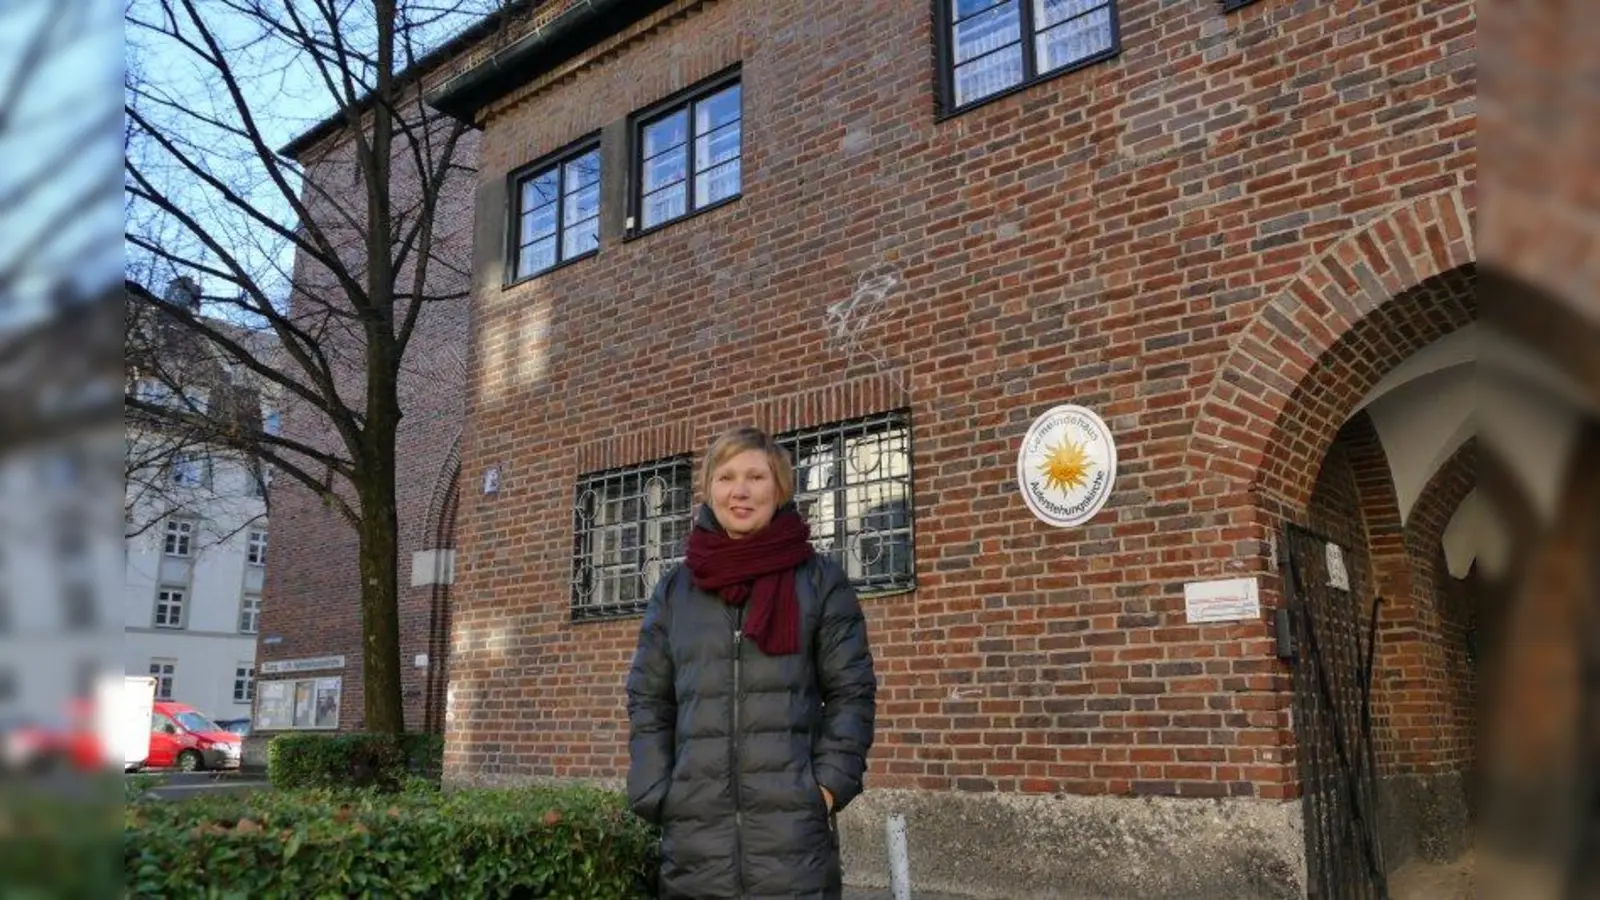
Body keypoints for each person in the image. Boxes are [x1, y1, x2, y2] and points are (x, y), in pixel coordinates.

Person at [626, 426, 878, 899]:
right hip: (694, 840)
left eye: (755, 477)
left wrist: (824, 788)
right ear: (709, 490)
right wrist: (655, 788)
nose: (739, 491)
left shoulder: (821, 582)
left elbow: (852, 693)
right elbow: (648, 696)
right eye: (725, 477)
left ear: (779, 487)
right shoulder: (677, 590)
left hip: (793, 843)